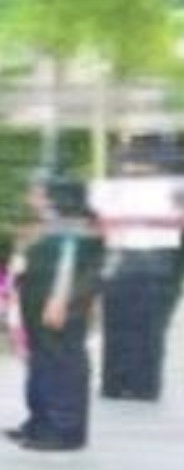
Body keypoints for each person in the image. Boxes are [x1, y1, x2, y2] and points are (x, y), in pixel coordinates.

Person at [11, 174, 105, 453]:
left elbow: (69, 268)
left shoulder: (74, 228)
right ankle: (41, 422)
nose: (32, 199)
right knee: (43, 361)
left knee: (61, 362)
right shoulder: (55, 226)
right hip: (39, 301)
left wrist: (61, 299)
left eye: (39, 194)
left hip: (57, 304)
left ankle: (63, 428)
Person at [90, 150, 184, 402]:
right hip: (149, 265)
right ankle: (137, 383)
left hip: (135, 263)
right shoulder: (172, 189)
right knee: (141, 329)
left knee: (128, 328)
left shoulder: (112, 190)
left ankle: (121, 382)